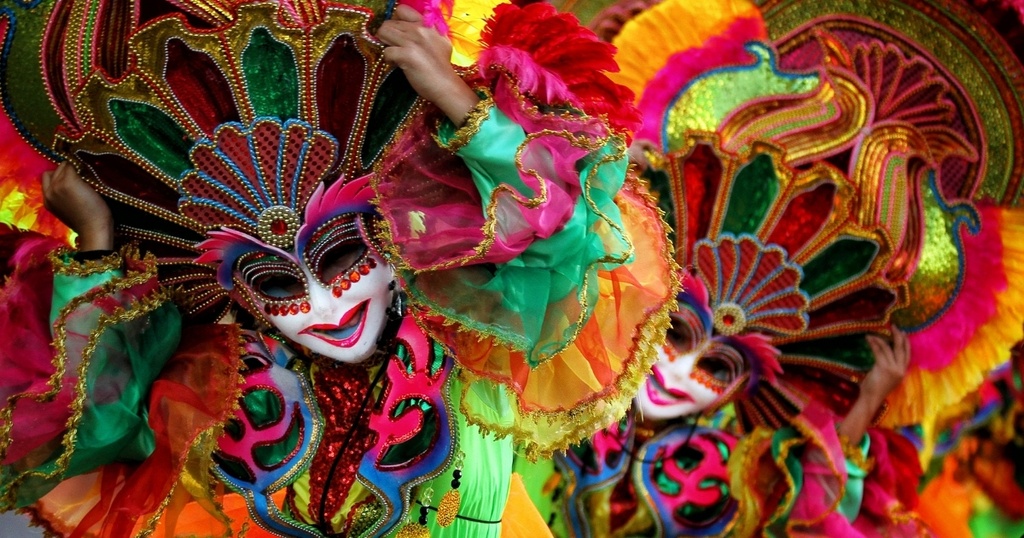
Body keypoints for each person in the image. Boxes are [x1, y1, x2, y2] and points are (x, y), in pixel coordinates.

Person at [0, 1, 675, 536]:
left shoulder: (474, 329)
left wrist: (457, 103)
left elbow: (564, 236)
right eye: (275, 283)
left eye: (343, 257)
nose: (325, 305)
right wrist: (94, 243)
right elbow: (82, 428)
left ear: (391, 234)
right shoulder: (209, 382)